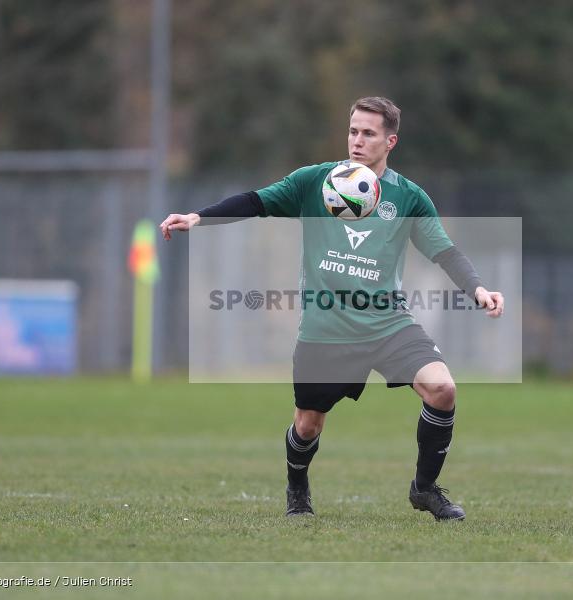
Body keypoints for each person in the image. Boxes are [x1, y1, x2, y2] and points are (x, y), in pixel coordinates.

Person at [161, 97, 503, 521]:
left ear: (390, 141)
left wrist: (478, 289)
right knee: (308, 425)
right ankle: (297, 487)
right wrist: (198, 217)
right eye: (353, 131)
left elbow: (445, 251)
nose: (357, 141)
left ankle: (425, 489)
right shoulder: (315, 182)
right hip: (326, 326)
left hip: (386, 322)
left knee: (442, 388)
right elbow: (256, 201)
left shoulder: (409, 198)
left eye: (369, 133)